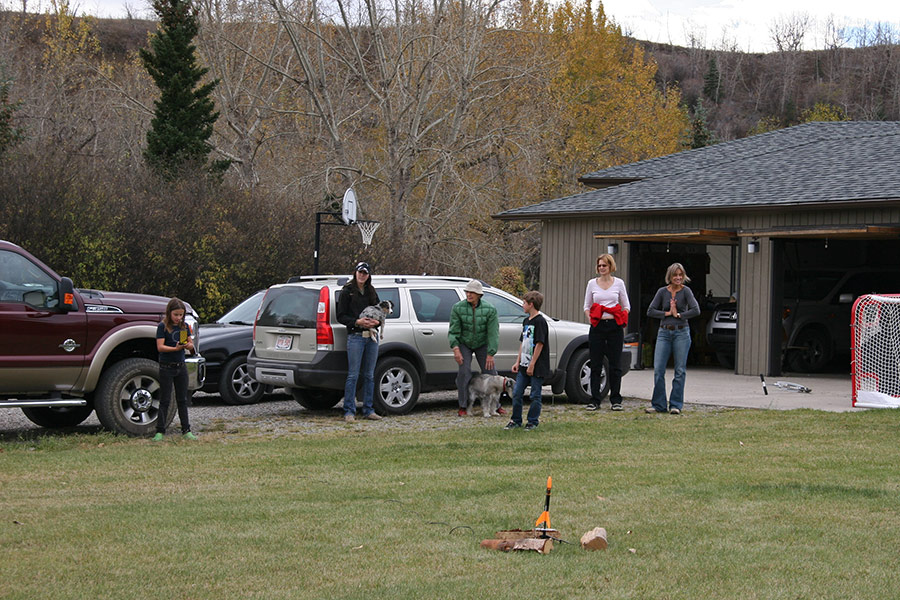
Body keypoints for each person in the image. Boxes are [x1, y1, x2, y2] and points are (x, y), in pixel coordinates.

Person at [646, 262, 701, 415]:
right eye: (675, 275)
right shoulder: (662, 292)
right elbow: (650, 311)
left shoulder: (686, 292)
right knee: (658, 369)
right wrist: (668, 314)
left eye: (680, 275)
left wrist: (679, 315)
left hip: (681, 332)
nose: (678, 278)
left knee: (680, 370)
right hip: (664, 332)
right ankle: (659, 405)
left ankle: (675, 405)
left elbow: (696, 310)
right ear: (669, 276)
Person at [336, 261, 383, 422]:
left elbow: (379, 310)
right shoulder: (347, 292)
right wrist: (357, 322)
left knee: (369, 375)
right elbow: (340, 316)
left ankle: (368, 409)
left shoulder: (371, 291)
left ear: (369, 275)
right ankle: (349, 410)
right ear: (355, 273)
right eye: (360, 272)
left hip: (372, 336)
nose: (362, 275)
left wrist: (376, 323)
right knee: (353, 375)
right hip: (355, 336)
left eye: (365, 273)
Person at [583, 253, 630, 411]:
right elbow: (587, 306)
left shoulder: (619, 283)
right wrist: (592, 318)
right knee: (595, 364)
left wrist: (620, 317)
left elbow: (626, 305)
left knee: (615, 364)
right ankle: (595, 399)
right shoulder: (591, 283)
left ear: (610, 266)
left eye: (604, 265)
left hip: (614, 327)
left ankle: (616, 399)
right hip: (598, 327)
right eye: (599, 265)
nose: (602, 268)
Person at [449, 280, 500, 417]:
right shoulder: (458, 308)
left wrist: (491, 353)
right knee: (464, 372)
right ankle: (463, 405)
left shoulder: (490, 310)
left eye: (472, 292)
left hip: (482, 343)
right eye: (467, 292)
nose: (469, 294)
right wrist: (456, 349)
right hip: (464, 342)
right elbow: (453, 331)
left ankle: (496, 406)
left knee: (491, 371)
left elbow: (493, 333)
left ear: (479, 295)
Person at [153, 298, 197, 441]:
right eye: (176, 315)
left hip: (181, 366)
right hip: (166, 367)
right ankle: (160, 430)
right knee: (165, 399)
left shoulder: (183, 327)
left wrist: (189, 346)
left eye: (181, 315)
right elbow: (160, 347)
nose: (178, 318)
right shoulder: (163, 327)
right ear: (169, 313)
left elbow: (189, 343)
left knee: (182, 400)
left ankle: (186, 430)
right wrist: (175, 348)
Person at [504, 291, 549, 431]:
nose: (522, 305)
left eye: (524, 303)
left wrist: (532, 364)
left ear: (531, 304)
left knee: (535, 395)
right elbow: (523, 343)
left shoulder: (540, 322)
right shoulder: (526, 321)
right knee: (517, 393)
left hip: (537, 366)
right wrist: (517, 362)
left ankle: (532, 421)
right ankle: (516, 420)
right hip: (523, 365)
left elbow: (540, 344)